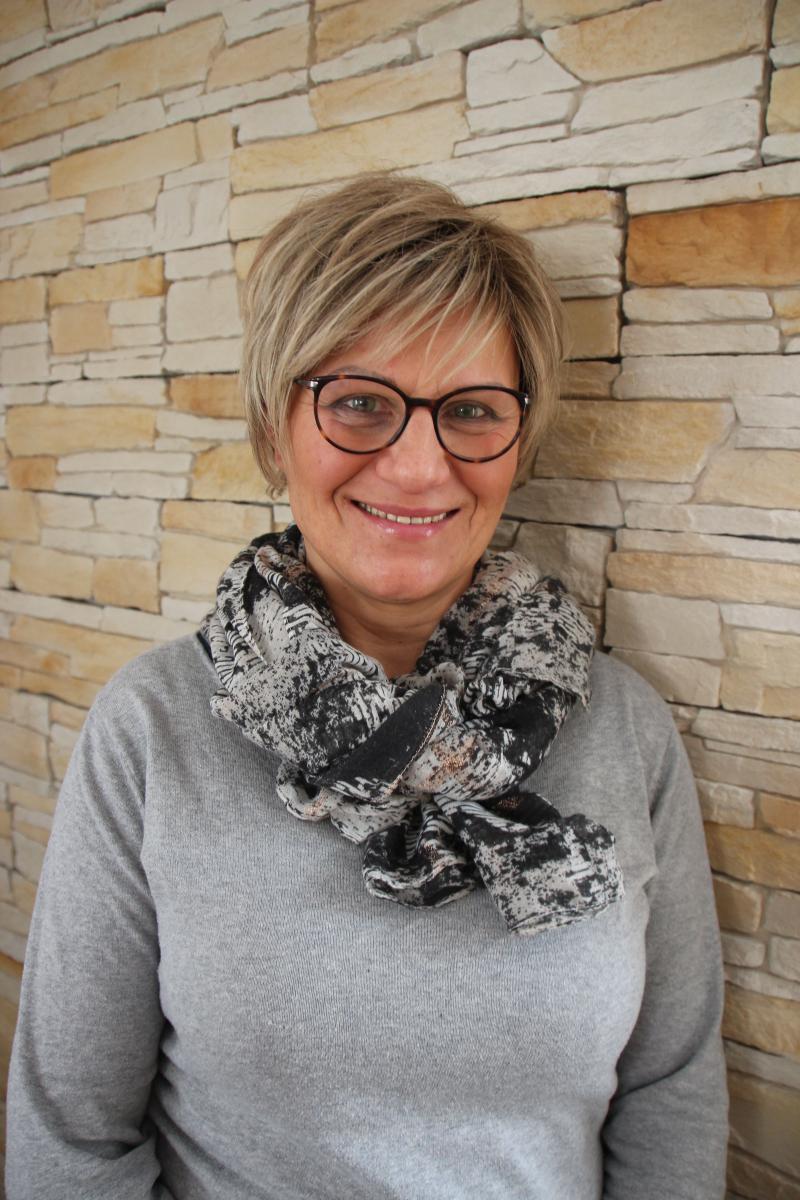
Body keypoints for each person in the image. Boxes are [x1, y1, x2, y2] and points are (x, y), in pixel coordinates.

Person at [6, 174, 728, 1199]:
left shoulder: (623, 728)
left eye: (470, 411)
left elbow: (670, 1090)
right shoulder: (154, 729)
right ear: (274, 430)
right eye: (357, 404)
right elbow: (71, 1138)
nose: (419, 467)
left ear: (518, 442)